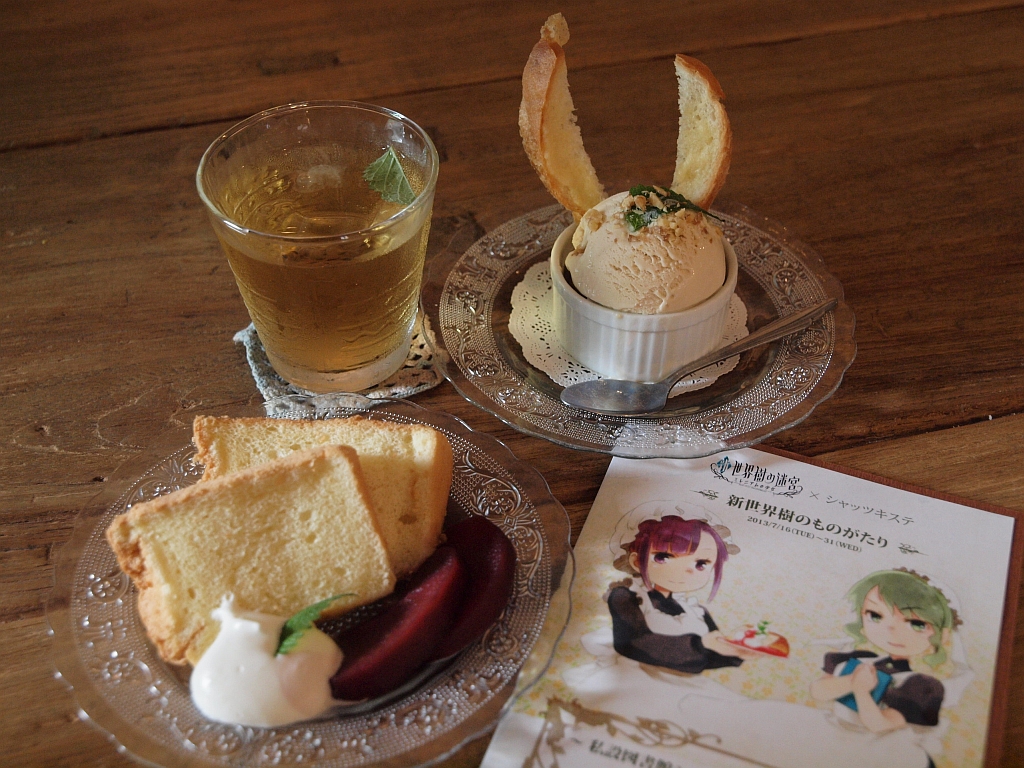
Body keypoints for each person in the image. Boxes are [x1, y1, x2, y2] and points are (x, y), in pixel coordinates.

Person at [811, 569, 956, 736]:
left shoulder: (922, 685)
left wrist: (862, 691)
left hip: (877, 744)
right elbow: (818, 691)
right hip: (834, 730)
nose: (891, 629)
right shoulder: (860, 657)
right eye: (875, 615)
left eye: (916, 624)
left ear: (941, 634)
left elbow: (880, 724)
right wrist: (851, 682)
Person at [607, 515, 757, 673]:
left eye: (701, 564)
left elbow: (708, 658)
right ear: (637, 561)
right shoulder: (626, 597)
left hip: (684, 682)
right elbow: (632, 643)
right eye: (663, 557)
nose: (686, 570)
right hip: (636, 677)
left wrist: (736, 650)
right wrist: (701, 644)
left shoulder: (697, 611)